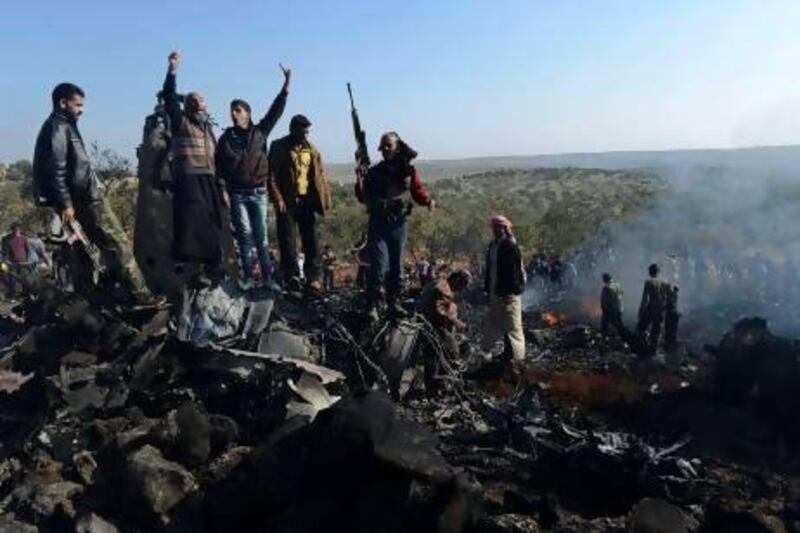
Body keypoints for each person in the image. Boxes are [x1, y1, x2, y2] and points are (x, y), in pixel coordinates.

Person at [32, 82, 152, 303]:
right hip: (84, 199)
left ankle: (103, 297)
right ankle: (141, 295)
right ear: (62, 103)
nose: (81, 109)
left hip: (82, 197)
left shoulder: (66, 125)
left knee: (90, 251)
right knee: (116, 242)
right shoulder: (57, 128)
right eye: (77, 105)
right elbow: (56, 169)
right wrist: (66, 203)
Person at [216, 65, 291, 290]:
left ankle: (267, 280)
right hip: (237, 194)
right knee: (245, 238)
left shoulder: (260, 132)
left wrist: (285, 87)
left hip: (258, 193)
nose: (233, 114)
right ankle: (248, 278)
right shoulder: (226, 138)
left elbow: (275, 111)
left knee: (262, 238)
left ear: (248, 113)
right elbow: (218, 167)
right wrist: (222, 189)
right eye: (232, 110)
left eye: (238, 110)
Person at [161, 50, 225, 287]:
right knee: (192, 225)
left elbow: (217, 161)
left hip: (209, 180)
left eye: (202, 100)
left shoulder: (209, 129)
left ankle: (213, 269)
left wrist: (222, 187)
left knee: (212, 222)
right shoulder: (181, 122)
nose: (199, 103)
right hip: (189, 179)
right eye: (193, 100)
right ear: (187, 106)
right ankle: (195, 272)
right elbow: (169, 97)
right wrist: (172, 70)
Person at [356, 132, 435, 321]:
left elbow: (417, 190)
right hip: (379, 222)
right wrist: (360, 177)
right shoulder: (375, 171)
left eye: (388, 146)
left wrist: (428, 200)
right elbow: (362, 197)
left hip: (399, 223)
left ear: (397, 147)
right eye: (382, 146)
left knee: (397, 267)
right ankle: (372, 305)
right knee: (379, 266)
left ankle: (393, 303)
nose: (384, 149)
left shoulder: (407, 170)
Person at [269, 115, 331, 292]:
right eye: (302, 131)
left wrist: (323, 199)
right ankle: (292, 277)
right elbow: (271, 176)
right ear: (292, 129)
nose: (305, 134)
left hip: (307, 201)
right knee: (287, 241)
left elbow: (320, 175)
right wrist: (278, 198)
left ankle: (314, 277)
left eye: (307, 131)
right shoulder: (279, 147)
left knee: (311, 240)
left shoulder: (312, 150)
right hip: (287, 202)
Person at [480, 215, 526, 362]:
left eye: (498, 227)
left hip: (508, 295)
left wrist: (511, 292)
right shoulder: (493, 245)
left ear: (505, 228)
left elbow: (516, 271)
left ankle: (516, 358)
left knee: (512, 327)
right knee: (493, 323)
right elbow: (490, 270)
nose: (495, 230)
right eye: (494, 227)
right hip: (495, 293)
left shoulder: (510, 246)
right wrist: (488, 290)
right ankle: (486, 351)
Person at [419, 268, 470, 394]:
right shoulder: (443, 288)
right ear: (457, 280)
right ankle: (438, 387)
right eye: (462, 285)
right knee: (452, 350)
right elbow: (439, 312)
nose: (461, 290)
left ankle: (434, 386)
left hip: (424, 322)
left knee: (434, 357)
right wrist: (456, 321)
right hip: (432, 326)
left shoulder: (440, 282)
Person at [637, 263, 670, 352]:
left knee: (641, 327)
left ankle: (642, 347)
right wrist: (666, 308)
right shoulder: (666, 282)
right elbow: (669, 297)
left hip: (651, 309)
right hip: (660, 310)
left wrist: (641, 309)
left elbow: (645, 298)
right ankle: (653, 350)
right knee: (656, 330)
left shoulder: (649, 282)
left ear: (651, 272)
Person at [1, 224, 31, 300]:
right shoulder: (7, 239)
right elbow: (5, 252)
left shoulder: (24, 238)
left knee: (25, 279)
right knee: (12, 280)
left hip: (23, 262)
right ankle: (11, 296)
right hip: (12, 262)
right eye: (15, 229)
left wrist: (28, 260)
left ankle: (26, 295)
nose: (16, 230)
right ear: (12, 229)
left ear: (20, 229)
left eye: (18, 229)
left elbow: (28, 250)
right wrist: (6, 260)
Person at [600, 273, 628, 340]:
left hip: (611, 309)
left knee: (605, 323)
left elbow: (604, 301)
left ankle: (605, 339)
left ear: (604, 279)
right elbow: (622, 294)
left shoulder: (606, 288)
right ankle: (625, 336)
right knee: (619, 324)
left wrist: (604, 309)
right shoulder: (618, 285)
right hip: (620, 307)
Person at [664, 285, 680, 352]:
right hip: (673, 315)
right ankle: (670, 346)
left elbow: (669, 305)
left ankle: (669, 347)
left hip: (670, 316)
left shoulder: (671, 296)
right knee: (672, 332)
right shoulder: (674, 295)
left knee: (669, 331)